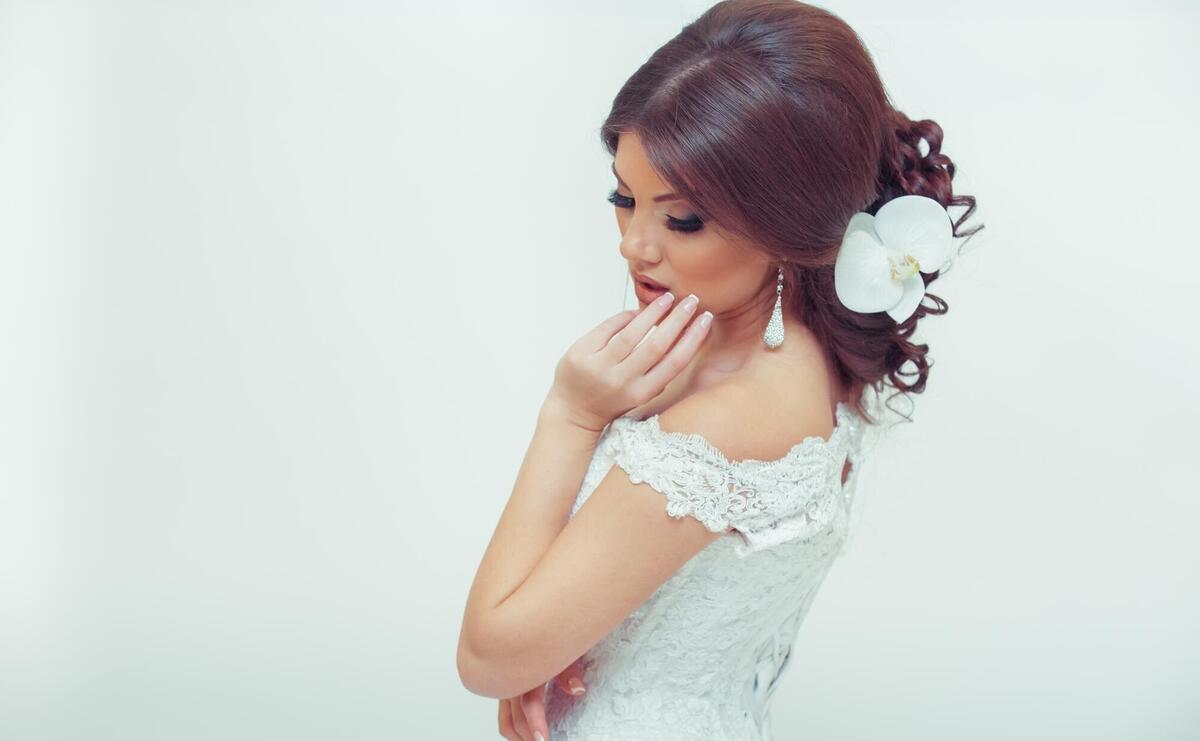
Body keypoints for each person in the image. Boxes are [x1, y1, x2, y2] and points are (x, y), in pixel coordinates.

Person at [457, 1, 982, 738]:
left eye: (680, 220)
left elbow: (486, 655)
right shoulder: (805, 348)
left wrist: (569, 414)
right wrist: (569, 640)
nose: (633, 245)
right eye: (623, 197)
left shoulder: (722, 424)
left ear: (789, 221)